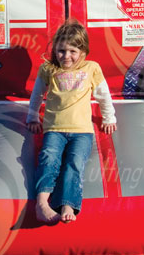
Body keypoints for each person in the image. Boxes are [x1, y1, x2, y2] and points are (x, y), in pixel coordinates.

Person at [26, 18, 116, 223]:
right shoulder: (48, 68)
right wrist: (32, 117)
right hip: (54, 129)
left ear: (83, 51)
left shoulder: (91, 68)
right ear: (55, 50)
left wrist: (109, 117)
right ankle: (42, 203)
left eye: (72, 51)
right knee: (49, 159)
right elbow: (37, 94)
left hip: (82, 131)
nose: (66, 56)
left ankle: (68, 203)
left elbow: (103, 95)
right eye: (61, 51)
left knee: (74, 163)